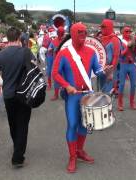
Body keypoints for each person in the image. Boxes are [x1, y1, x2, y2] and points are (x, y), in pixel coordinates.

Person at [52, 23, 112, 173]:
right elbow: (55, 73)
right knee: (72, 124)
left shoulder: (91, 52)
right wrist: (67, 86)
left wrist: (105, 72)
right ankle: (72, 156)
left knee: (85, 124)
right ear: (72, 33)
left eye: (85, 32)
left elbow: (96, 70)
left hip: (87, 95)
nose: (83, 35)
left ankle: (80, 151)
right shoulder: (64, 53)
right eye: (80, 32)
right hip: (72, 96)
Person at [0, 27, 35, 168]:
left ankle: (16, 145)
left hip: (8, 94)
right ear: (19, 38)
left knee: (13, 123)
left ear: (7, 37)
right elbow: (34, 69)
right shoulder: (26, 52)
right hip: (24, 94)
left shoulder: (0, 55)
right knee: (23, 124)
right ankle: (18, 157)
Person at [117, 26, 136, 111]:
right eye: (126, 32)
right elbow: (120, 55)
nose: (128, 33)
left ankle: (132, 102)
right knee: (121, 85)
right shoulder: (120, 42)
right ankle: (120, 104)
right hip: (123, 65)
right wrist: (127, 48)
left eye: (129, 31)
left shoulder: (133, 40)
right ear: (123, 32)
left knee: (133, 85)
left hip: (132, 65)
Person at [99, 19, 120, 94]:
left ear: (109, 27)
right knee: (100, 92)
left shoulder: (114, 39)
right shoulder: (101, 38)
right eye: (101, 27)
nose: (102, 29)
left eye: (104, 27)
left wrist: (111, 72)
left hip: (109, 70)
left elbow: (116, 57)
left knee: (107, 94)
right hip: (101, 69)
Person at [48, 26, 65, 101]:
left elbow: (49, 49)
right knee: (57, 78)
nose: (61, 34)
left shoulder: (66, 41)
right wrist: (51, 49)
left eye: (61, 33)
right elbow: (49, 49)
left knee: (62, 78)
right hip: (58, 62)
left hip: (63, 61)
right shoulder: (54, 41)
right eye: (60, 33)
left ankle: (60, 94)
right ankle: (56, 94)